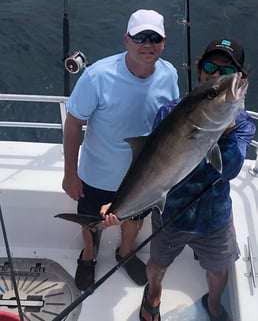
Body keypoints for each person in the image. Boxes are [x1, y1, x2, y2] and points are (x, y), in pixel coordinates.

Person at [102, 38, 256, 321]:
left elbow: (230, 169)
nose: (217, 75)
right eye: (210, 66)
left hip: (215, 217)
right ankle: (153, 295)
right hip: (170, 213)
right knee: (158, 264)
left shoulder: (243, 124)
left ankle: (214, 303)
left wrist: (226, 127)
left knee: (218, 267)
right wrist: (119, 207)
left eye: (226, 71)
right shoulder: (169, 112)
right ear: (200, 70)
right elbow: (149, 165)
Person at [62, 9, 180, 290]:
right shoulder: (97, 77)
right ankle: (89, 257)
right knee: (90, 221)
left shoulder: (170, 74)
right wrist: (70, 174)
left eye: (154, 38)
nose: (147, 44)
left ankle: (125, 253)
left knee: (135, 219)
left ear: (164, 42)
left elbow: (170, 126)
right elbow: (74, 123)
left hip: (144, 176)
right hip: (97, 175)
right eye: (140, 37)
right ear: (126, 40)